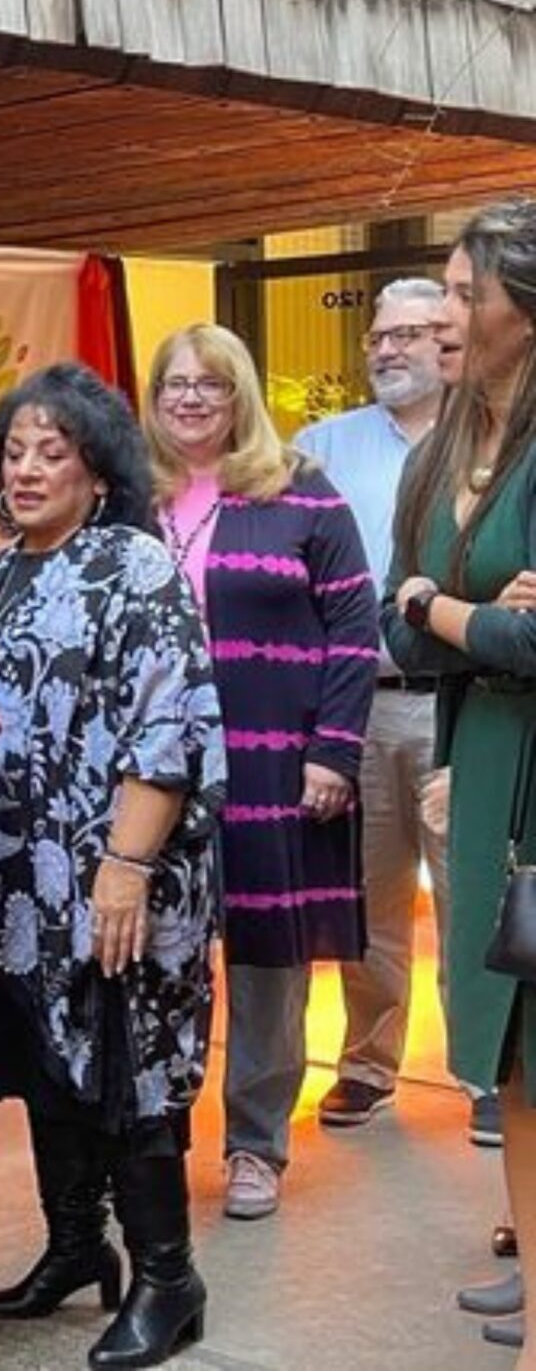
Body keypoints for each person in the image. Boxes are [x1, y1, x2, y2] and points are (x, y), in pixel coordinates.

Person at [0, 365, 225, 1370]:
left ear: (99, 471)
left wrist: (125, 866)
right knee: (47, 1059)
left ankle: (168, 1278)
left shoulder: (133, 566)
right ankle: (75, 1246)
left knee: (130, 1064)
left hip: (118, 874)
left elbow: (169, 723)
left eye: (51, 452)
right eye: (14, 452)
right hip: (19, 884)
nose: (25, 470)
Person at [143, 324, 379, 1222]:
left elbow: (355, 628)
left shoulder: (301, 490)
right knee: (160, 950)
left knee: (268, 961)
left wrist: (334, 749)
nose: (191, 398)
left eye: (210, 383)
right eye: (174, 384)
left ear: (240, 393)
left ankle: (255, 1144)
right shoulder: (130, 499)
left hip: (278, 761)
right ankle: (156, 1136)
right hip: (158, 769)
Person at [384, 198, 536, 1364]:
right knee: (514, 1059)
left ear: (523, 309)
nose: (444, 311)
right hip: (485, 768)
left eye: (463, 291)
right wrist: (461, 615)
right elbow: (400, 625)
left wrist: (444, 607)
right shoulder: (441, 454)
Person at [292, 280, 457, 1134]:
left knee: (471, 893)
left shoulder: (494, 438)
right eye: (378, 337)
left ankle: (485, 1071)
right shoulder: (320, 448)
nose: (388, 349)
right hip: (358, 702)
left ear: (449, 339)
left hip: (464, 703)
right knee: (370, 893)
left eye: (409, 335)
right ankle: (366, 1062)